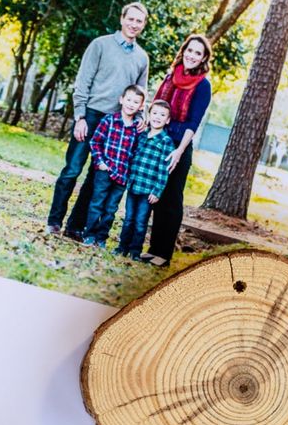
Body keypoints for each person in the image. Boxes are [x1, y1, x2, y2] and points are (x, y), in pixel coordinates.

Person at [46, 2, 149, 235]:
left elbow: (141, 91)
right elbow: (83, 81)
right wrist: (80, 116)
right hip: (91, 115)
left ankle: (75, 227)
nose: (134, 24)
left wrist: (141, 115)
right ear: (122, 19)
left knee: (97, 178)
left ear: (143, 25)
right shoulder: (100, 45)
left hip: (117, 123)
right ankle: (54, 221)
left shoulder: (142, 58)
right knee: (72, 170)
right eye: (130, 19)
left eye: (139, 21)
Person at [142, 33, 212, 267]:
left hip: (178, 146)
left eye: (197, 53)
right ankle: (152, 249)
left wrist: (180, 151)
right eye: (190, 50)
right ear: (184, 51)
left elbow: (194, 122)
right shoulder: (171, 76)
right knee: (155, 197)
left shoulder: (203, 85)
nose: (192, 56)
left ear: (203, 58)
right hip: (157, 141)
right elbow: (156, 106)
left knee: (171, 199)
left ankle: (164, 253)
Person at [81, 85, 145, 246]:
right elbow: (95, 142)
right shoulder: (109, 120)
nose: (131, 104)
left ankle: (101, 238)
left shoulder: (138, 129)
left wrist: (131, 173)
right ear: (121, 99)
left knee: (110, 209)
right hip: (105, 171)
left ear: (141, 106)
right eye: (129, 99)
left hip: (123, 175)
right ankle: (89, 235)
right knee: (97, 204)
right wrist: (100, 162)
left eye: (136, 102)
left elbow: (137, 152)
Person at [116, 99, 174, 260]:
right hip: (134, 185)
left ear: (167, 120)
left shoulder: (166, 142)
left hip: (148, 190)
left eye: (162, 115)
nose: (157, 117)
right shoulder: (141, 135)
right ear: (148, 115)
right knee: (128, 219)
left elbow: (164, 170)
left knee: (141, 223)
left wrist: (157, 191)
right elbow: (132, 157)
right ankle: (122, 247)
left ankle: (135, 251)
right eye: (154, 113)